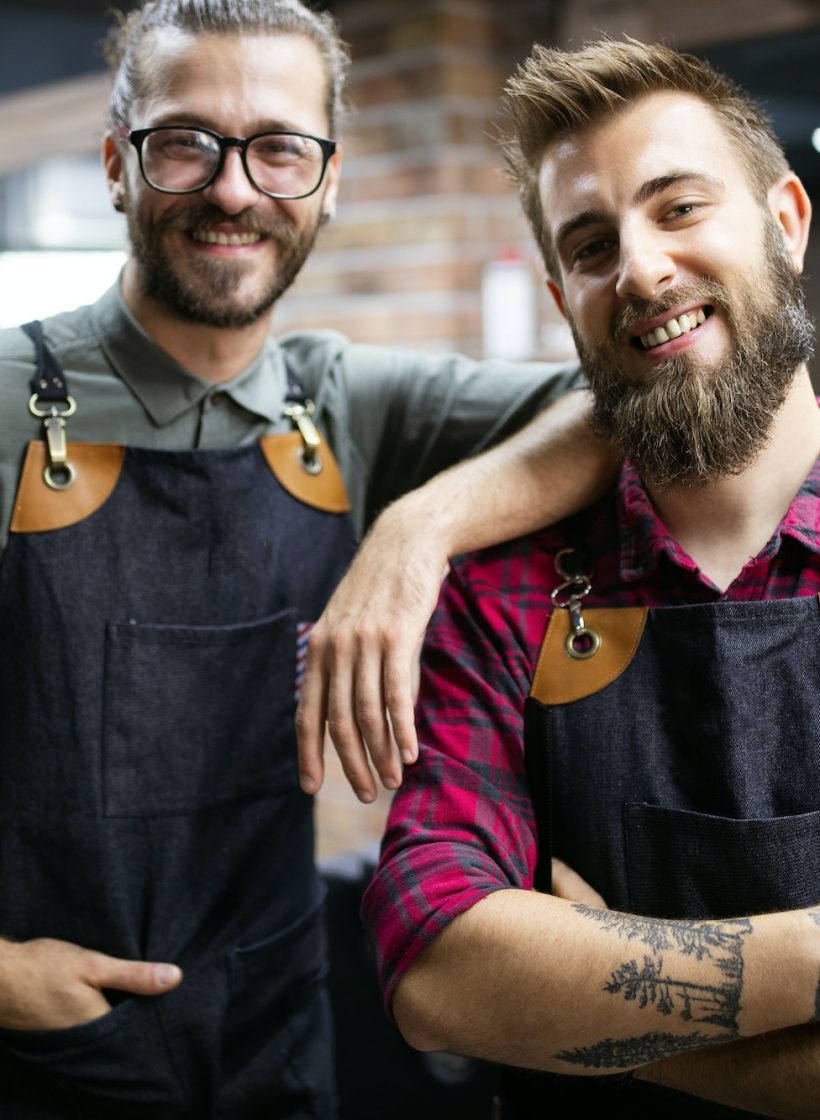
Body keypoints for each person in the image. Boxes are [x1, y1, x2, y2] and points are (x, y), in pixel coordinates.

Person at [0, 2, 621, 1117]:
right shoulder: (8, 400)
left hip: (279, 1033)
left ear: (327, 182)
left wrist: (415, 527)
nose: (233, 189)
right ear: (115, 163)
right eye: (185, 140)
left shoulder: (336, 402)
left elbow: (619, 410)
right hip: (46, 1059)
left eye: (279, 148)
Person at [363, 37, 820, 1119]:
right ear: (565, 295)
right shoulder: (504, 594)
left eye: (676, 209)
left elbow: (502, 991)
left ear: (786, 224)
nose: (642, 269)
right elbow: (434, 966)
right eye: (589, 244)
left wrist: (581, 1003)